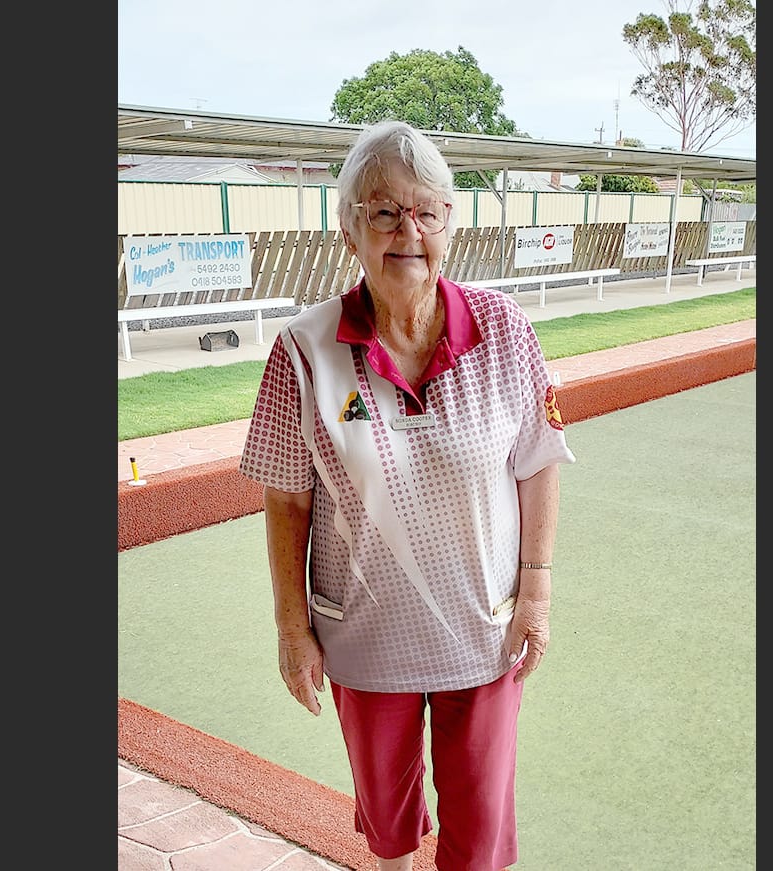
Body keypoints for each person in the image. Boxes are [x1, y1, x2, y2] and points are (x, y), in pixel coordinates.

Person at [239, 119, 575, 871]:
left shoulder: (505, 330)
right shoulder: (304, 349)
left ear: (449, 223)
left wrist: (537, 591)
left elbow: (539, 459)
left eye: (425, 211)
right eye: (384, 211)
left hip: (483, 630)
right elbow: (288, 500)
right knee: (389, 830)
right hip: (365, 637)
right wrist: (293, 631)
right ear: (349, 229)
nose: (407, 231)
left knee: (478, 830)